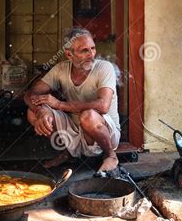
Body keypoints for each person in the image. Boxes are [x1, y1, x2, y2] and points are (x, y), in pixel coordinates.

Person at [24, 27, 121, 173]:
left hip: (103, 131)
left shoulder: (104, 68)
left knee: (87, 115)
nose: (91, 54)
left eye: (93, 48)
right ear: (69, 54)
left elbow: (103, 106)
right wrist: (40, 112)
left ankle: (110, 156)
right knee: (31, 112)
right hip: (75, 132)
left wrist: (59, 104)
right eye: (84, 50)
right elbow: (30, 93)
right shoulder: (61, 69)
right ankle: (67, 152)